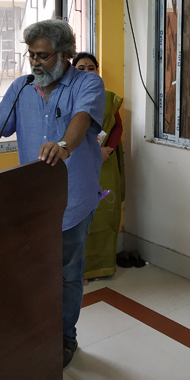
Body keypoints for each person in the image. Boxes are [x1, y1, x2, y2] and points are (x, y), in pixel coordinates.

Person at [0, 20, 105, 368]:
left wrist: (63, 144)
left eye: (43, 56)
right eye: (31, 55)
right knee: (32, 271)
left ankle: (65, 338)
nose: (35, 62)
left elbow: (83, 118)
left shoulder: (87, 83)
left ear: (65, 54)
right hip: (32, 203)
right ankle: (37, 332)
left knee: (67, 274)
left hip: (74, 200)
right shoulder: (21, 88)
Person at [72, 52, 125, 279]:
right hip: (79, 164)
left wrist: (108, 149)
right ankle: (78, 271)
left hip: (105, 163)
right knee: (80, 215)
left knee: (104, 214)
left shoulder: (108, 97)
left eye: (91, 68)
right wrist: (94, 152)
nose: (87, 72)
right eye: (80, 68)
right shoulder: (66, 97)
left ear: (97, 70)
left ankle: (103, 265)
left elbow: (118, 127)